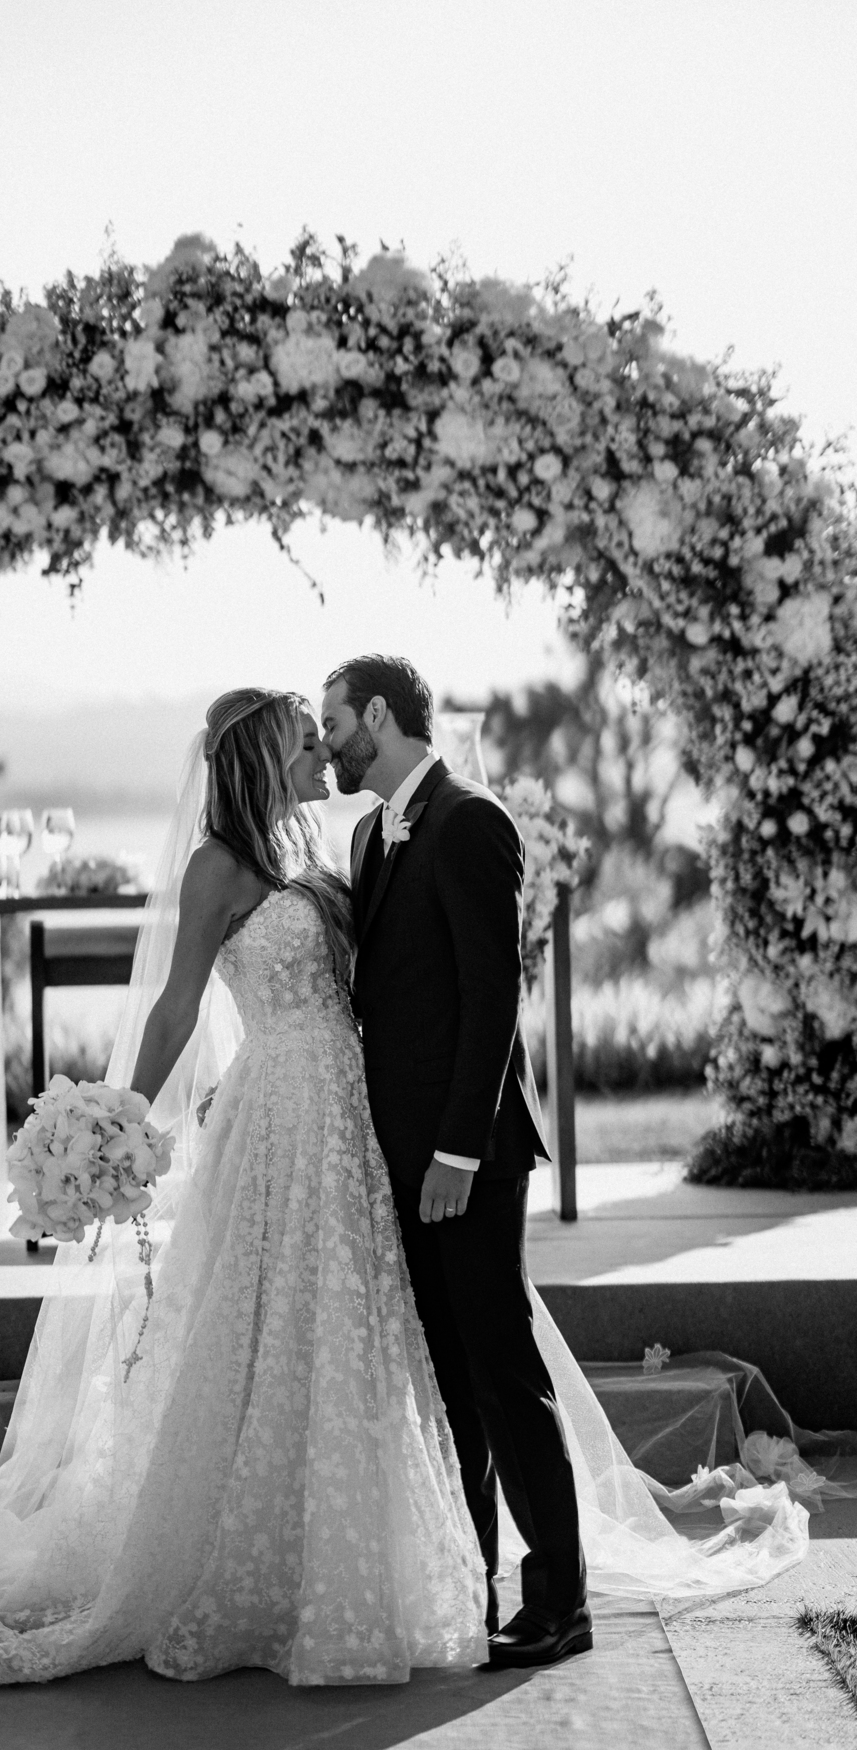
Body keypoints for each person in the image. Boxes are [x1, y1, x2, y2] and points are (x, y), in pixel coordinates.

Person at [0, 682, 811, 1684]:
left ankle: (478, 1576)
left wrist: (452, 1131)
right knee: (294, 1335)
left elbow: (436, 979)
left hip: (365, 1121)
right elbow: (178, 1005)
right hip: (286, 1113)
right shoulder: (225, 863)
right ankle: (352, 1567)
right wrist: (115, 1117)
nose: (323, 751)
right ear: (262, 756)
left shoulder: (335, 842)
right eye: (304, 740)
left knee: (402, 1345)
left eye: (330, 731)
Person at [322, 654, 589, 1669]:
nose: (328, 742)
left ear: (378, 716)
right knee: (444, 1382)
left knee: (501, 1371)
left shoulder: (473, 821)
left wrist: (455, 1152)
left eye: (334, 723)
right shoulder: (368, 835)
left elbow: (493, 997)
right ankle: (469, 1583)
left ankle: (560, 1600)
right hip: (400, 1155)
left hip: (463, 1157)